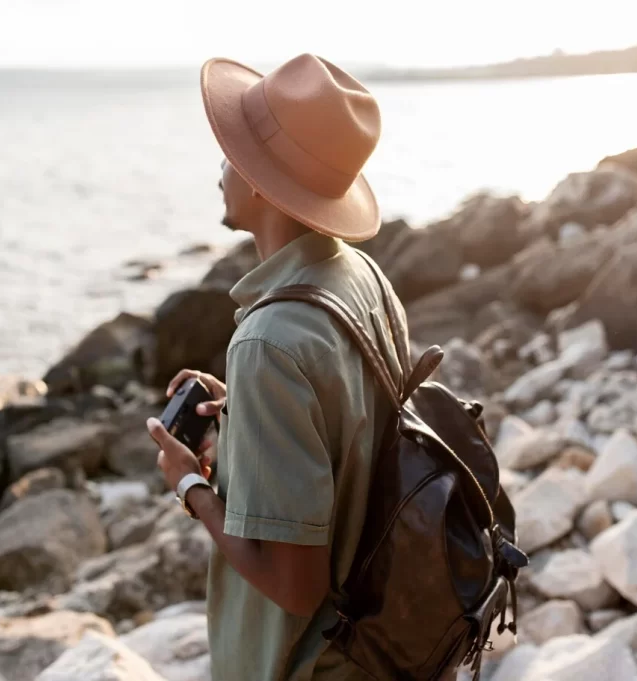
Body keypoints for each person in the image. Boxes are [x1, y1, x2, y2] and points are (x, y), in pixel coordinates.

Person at [145, 53, 408, 680]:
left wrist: (191, 488)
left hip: (306, 664)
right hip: (379, 635)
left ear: (263, 182)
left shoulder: (268, 343)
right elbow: (353, 433)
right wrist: (244, 415)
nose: (220, 171)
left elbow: (294, 587)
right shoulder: (359, 274)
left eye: (231, 154)